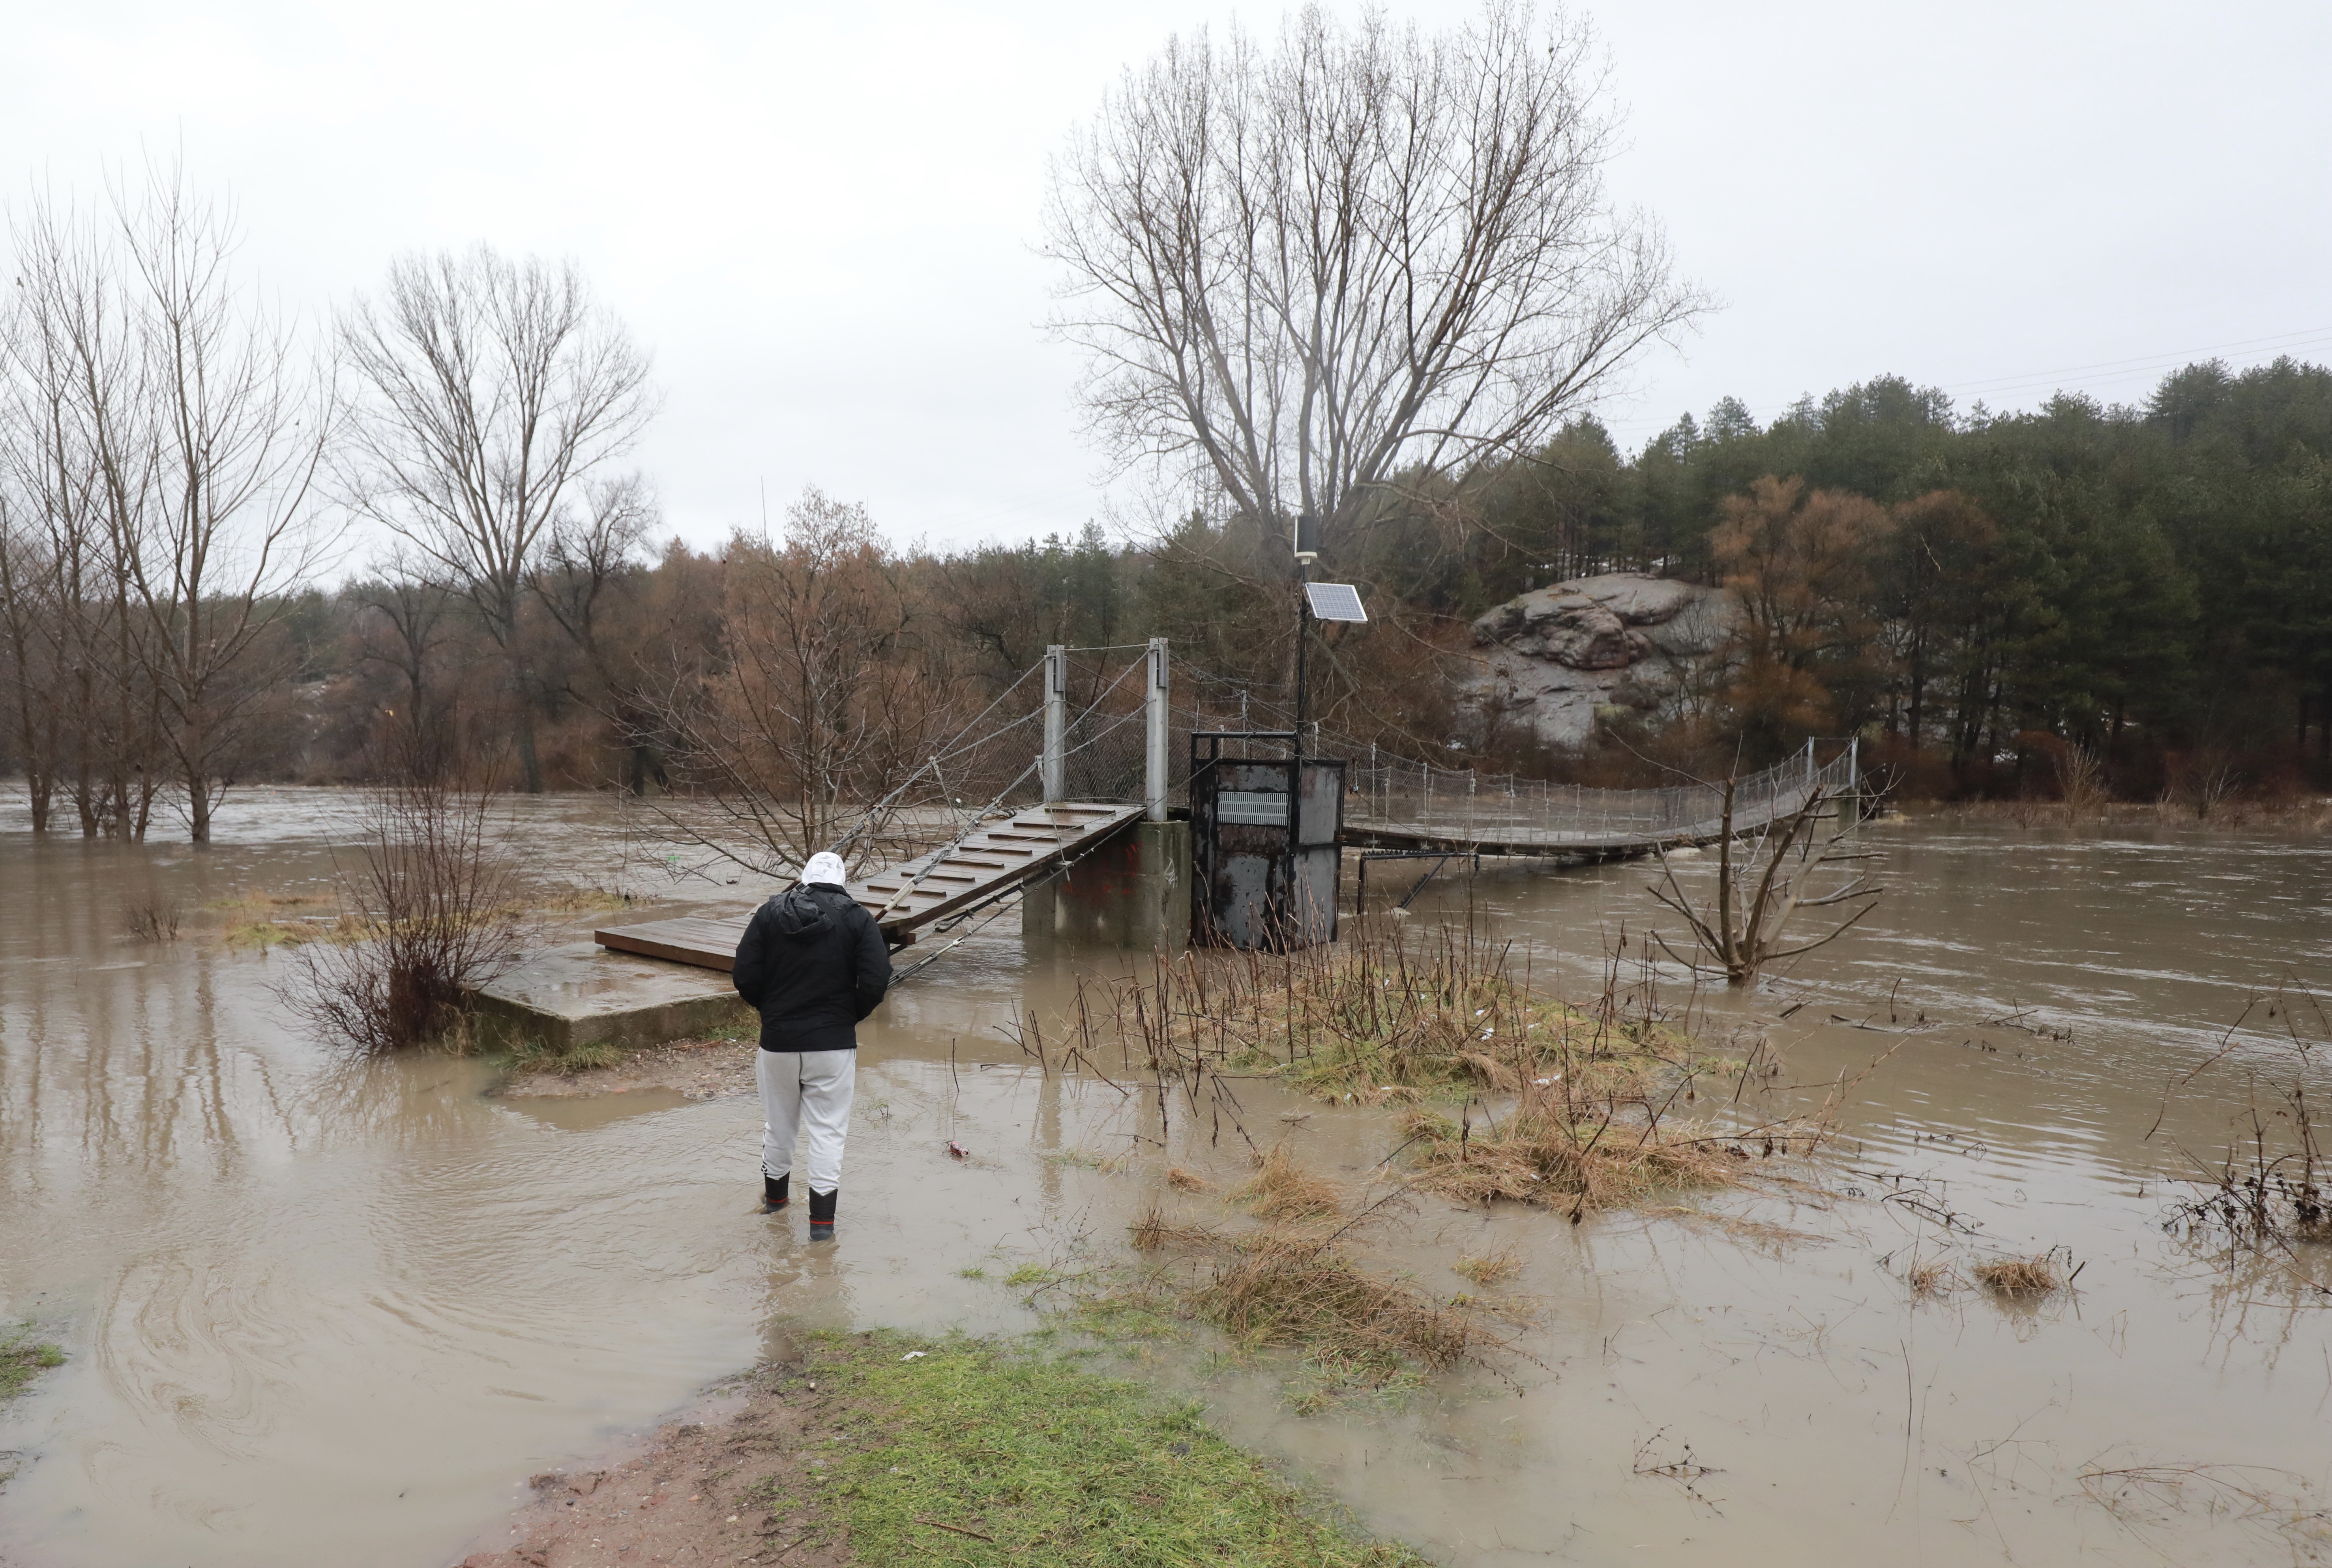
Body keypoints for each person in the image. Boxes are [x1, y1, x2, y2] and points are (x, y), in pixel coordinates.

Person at [731, 850, 892, 1238]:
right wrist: (846, 1016)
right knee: (828, 1132)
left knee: (779, 1126)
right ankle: (821, 1231)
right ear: (841, 881)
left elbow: (744, 974)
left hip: (778, 1042)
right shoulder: (858, 918)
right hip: (833, 1045)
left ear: (803, 878)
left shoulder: (769, 913)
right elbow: (875, 979)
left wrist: (771, 1011)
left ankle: (774, 1206)